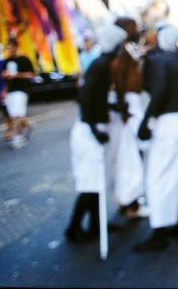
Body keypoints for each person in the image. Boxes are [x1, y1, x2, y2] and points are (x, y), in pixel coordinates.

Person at [134, 25, 178, 252]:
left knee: (160, 177)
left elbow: (159, 91)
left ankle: (159, 231)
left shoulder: (161, 61)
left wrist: (145, 122)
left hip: (170, 122)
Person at [65, 24, 127, 243]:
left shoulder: (104, 64)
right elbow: (85, 99)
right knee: (90, 183)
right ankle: (73, 228)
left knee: (98, 180)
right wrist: (94, 129)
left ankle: (96, 225)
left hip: (93, 128)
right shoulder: (101, 66)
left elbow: (96, 99)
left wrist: (112, 109)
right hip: (87, 131)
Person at [110, 17, 146, 220]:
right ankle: (130, 201)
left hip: (134, 105)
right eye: (133, 27)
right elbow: (118, 79)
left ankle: (130, 199)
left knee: (133, 154)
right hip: (130, 108)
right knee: (131, 156)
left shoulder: (128, 49)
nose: (137, 29)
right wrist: (124, 109)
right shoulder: (121, 52)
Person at [1, 38, 35, 149]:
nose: (9, 49)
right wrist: (5, 76)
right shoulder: (7, 61)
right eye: (8, 47)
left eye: (11, 46)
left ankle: (19, 138)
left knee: (17, 115)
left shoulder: (24, 59)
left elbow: (31, 75)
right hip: (10, 91)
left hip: (22, 90)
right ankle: (29, 124)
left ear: (15, 46)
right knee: (14, 115)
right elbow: (3, 74)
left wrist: (17, 75)